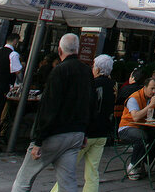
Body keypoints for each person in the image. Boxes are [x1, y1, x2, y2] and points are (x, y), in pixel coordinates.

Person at [11, 33, 93, 192]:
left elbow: (50, 106)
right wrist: (85, 132)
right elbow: (90, 103)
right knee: (67, 182)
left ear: (60, 51)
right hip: (76, 134)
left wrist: (38, 140)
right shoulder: (86, 71)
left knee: (24, 179)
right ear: (77, 50)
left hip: (54, 133)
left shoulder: (59, 71)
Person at [48, 54, 114, 192]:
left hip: (86, 133)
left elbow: (85, 107)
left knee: (68, 169)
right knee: (92, 171)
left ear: (97, 68)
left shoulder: (92, 85)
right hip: (102, 133)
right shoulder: (112, 86)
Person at [118, 75, 155, 180]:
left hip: (142, 127)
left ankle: (145, 163)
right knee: (142, 137)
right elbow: (136, 117)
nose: (153, 91)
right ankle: (133, 166)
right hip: (127, 127)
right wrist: (150, 105)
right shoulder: (134, 98)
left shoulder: (150, 99)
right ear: (145, 87)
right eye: (151, 88)